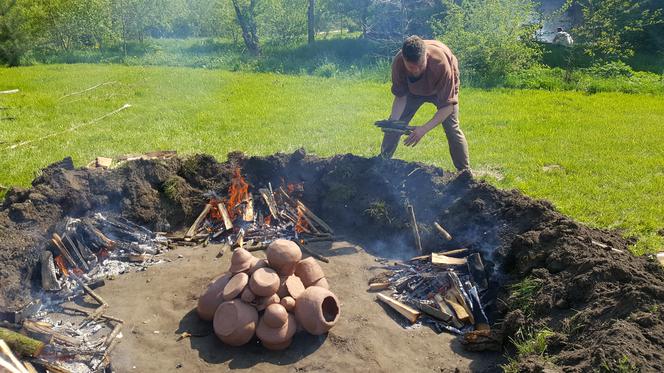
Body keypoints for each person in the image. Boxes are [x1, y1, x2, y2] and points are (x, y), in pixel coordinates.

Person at [381, 35, 470, 172]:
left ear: (426, 56)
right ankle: (382, 163)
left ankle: (465, 173)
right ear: (404, 59)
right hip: (413, 92)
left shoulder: (440, 64)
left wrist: (423, 129)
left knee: (452, 129)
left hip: (440, 90)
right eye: (411, 67)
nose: (415, 70)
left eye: (420, 66)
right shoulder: (398, 63)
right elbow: (400, 97)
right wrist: (393, 122)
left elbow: (447, 107)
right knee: (394, 125)